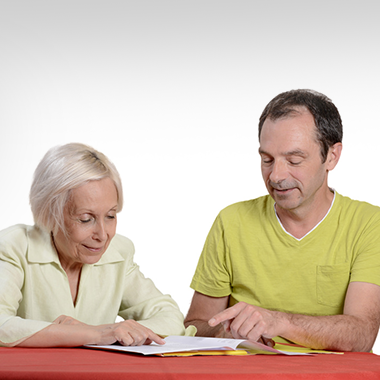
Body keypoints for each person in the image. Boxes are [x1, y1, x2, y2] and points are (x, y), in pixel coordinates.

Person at [184, 89, 380, 352]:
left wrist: (278, 322)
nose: (276, 175)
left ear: (332, 156)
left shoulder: (368, 224)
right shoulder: (231, 222)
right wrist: (225, 332)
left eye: (294, 160)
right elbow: (195, 326)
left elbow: (361, 335)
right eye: (267, 159)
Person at [0, 143, 185, 347]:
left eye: (111, 216)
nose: (103, 235)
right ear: (50, 213)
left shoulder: (118, 252)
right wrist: (94, 334)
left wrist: (117, 332)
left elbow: (170, 316)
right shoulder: (14, 246)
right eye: (86, 219)